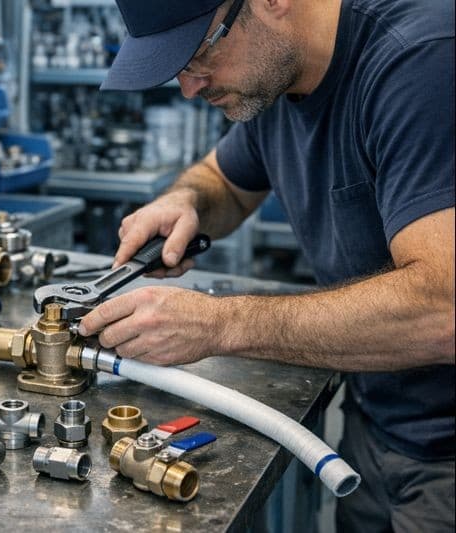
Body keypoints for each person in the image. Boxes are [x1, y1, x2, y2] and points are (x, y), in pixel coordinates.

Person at [80, 0, 455, 530]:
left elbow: (444, 311)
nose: (189, 87)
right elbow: (225, 183)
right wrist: (185, 201)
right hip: (379, 418)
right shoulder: (277, 77)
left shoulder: (422, 65)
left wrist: (219, 324)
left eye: (198, 53)